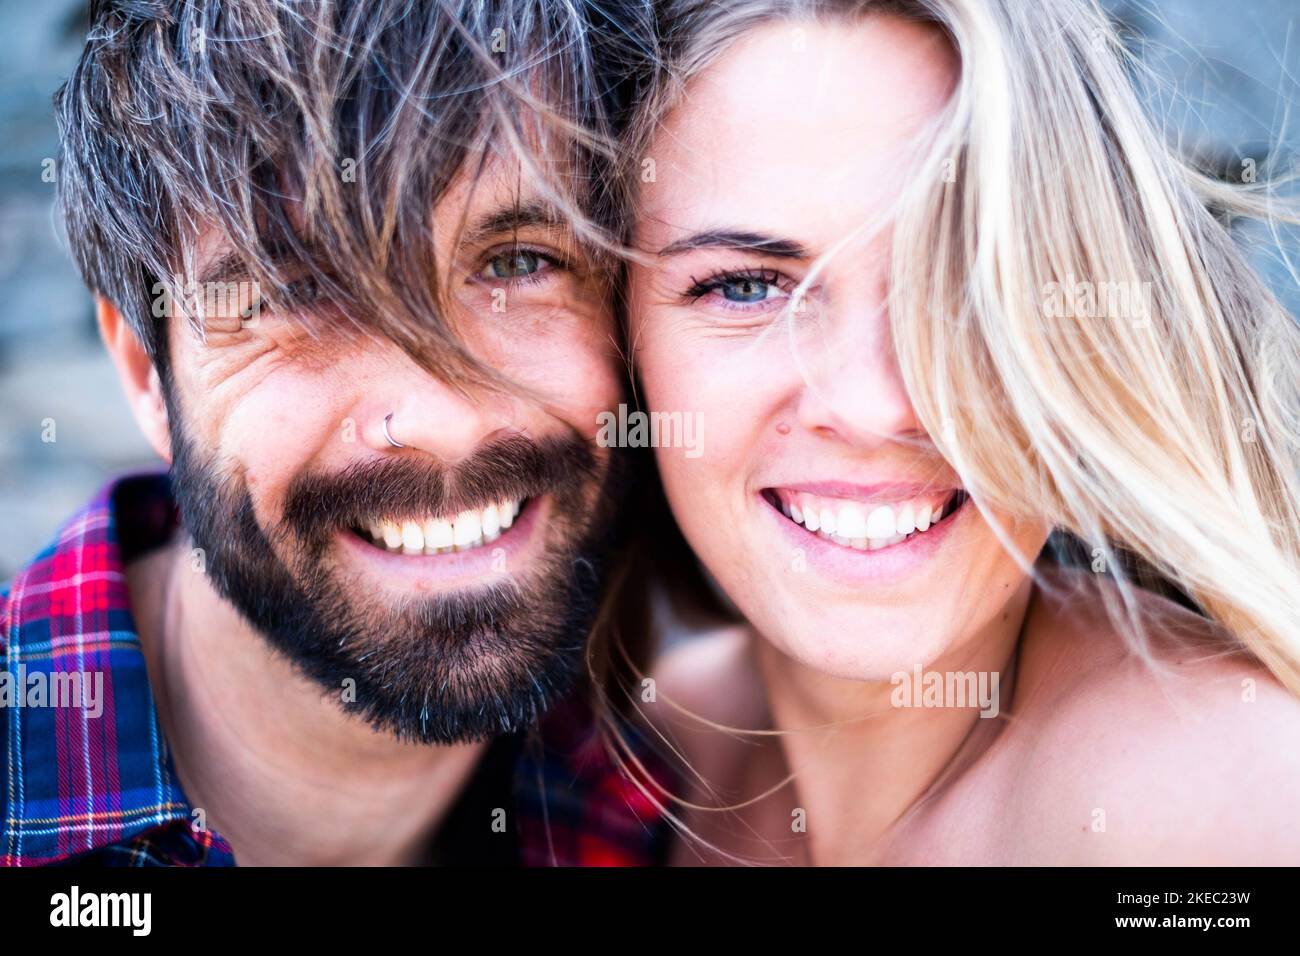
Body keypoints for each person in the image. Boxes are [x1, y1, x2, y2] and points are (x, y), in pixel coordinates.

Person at [618, 0, 1300, 864]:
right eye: (748, 286)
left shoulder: (1201, 803)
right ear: (624, 337)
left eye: (966, 285)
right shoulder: (652, 739)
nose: (873, 405)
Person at [0, 0, 665, 866]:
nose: (438, 423)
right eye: (295, 293)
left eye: (516, 263)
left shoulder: (673, 796)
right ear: (145, 375)